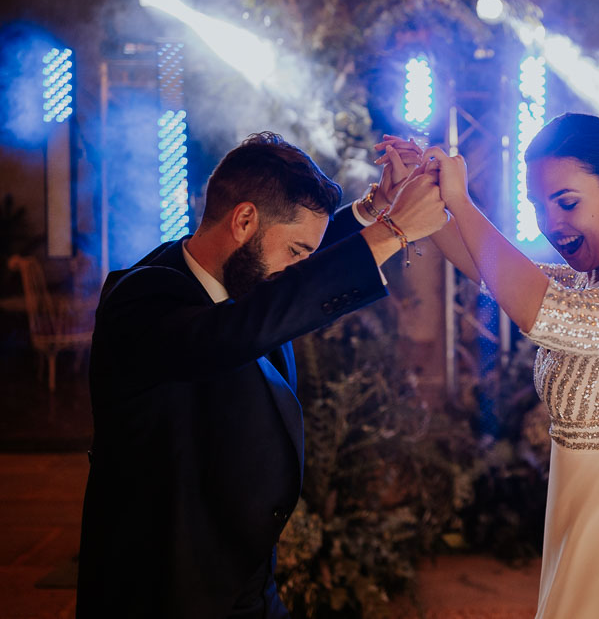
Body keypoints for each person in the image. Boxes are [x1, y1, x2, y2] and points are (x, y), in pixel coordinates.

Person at [76, 131, 447, 619]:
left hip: (244, 583)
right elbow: (237, 329)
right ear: (244, 219)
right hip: (164, 591)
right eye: (296, 251)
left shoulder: (244, 276)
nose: (300, 266)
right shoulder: (142, 299)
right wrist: (391, 232)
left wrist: (374, 209)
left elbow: (286, 274)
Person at [380, 113, 599, 618]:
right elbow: (482, 265)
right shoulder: (583, 284)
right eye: (539, 206)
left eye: (568, 202)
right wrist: (412, 192)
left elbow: (541, 313)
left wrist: (462, 201)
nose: (552, 223)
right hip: (577, 521)